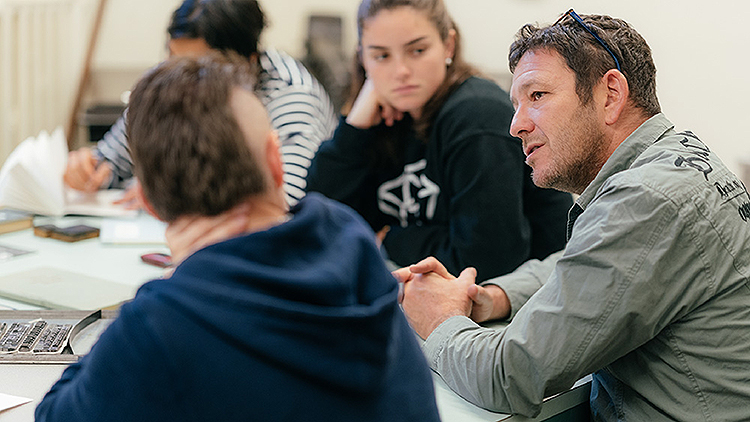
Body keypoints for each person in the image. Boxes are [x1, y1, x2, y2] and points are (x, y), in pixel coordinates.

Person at [35, 54, 441, 422]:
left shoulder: (162, 322)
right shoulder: (348, 236)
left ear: (147, 202)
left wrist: (168, 287)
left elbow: (54, 413)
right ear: (275, 161)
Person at [396, 10, 750, 421]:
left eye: (537, 96)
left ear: (611, 95)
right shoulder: (676, 161)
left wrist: (440, 319)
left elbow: (509, 376)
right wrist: (489, 298)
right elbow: (583, 265)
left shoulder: (647, 198)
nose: (515, 126)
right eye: (515, 104)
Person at [305, 0, 572, 282]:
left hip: (524, 305)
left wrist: (391, 240)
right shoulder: (383, 118)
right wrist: (355, 127)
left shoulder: (477, 116)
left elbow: (486, 264)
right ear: (362, 58)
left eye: (417, 51)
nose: (401, 71)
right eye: (381, 56)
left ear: (448, 45)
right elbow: (313, 220)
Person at [63, 0, 336, 206]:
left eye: (199, 69)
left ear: (247, 64)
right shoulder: (171, 78)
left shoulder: (293, 100)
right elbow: (112, 159)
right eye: (173, 58)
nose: (180, 81)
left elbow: (284, 205)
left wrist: (173, 194)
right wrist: (88, 169)